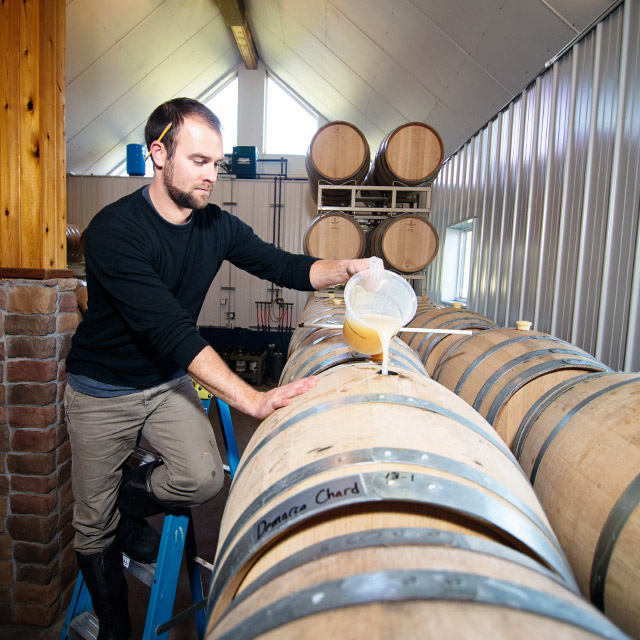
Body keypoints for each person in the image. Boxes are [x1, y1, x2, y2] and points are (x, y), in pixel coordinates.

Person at [64, 97, 375, 639]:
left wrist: (345, 268)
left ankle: (123, 505)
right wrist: (251, 398)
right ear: (158, 154)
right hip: (102, 389)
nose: (212, 176)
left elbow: (284, 265)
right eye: (200, 161)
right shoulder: (114, 231)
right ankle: (114, 623)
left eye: (217, 163)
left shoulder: (217, 227)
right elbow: (170, 330)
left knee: (203, 476)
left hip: (163, 382)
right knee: (91, 530)